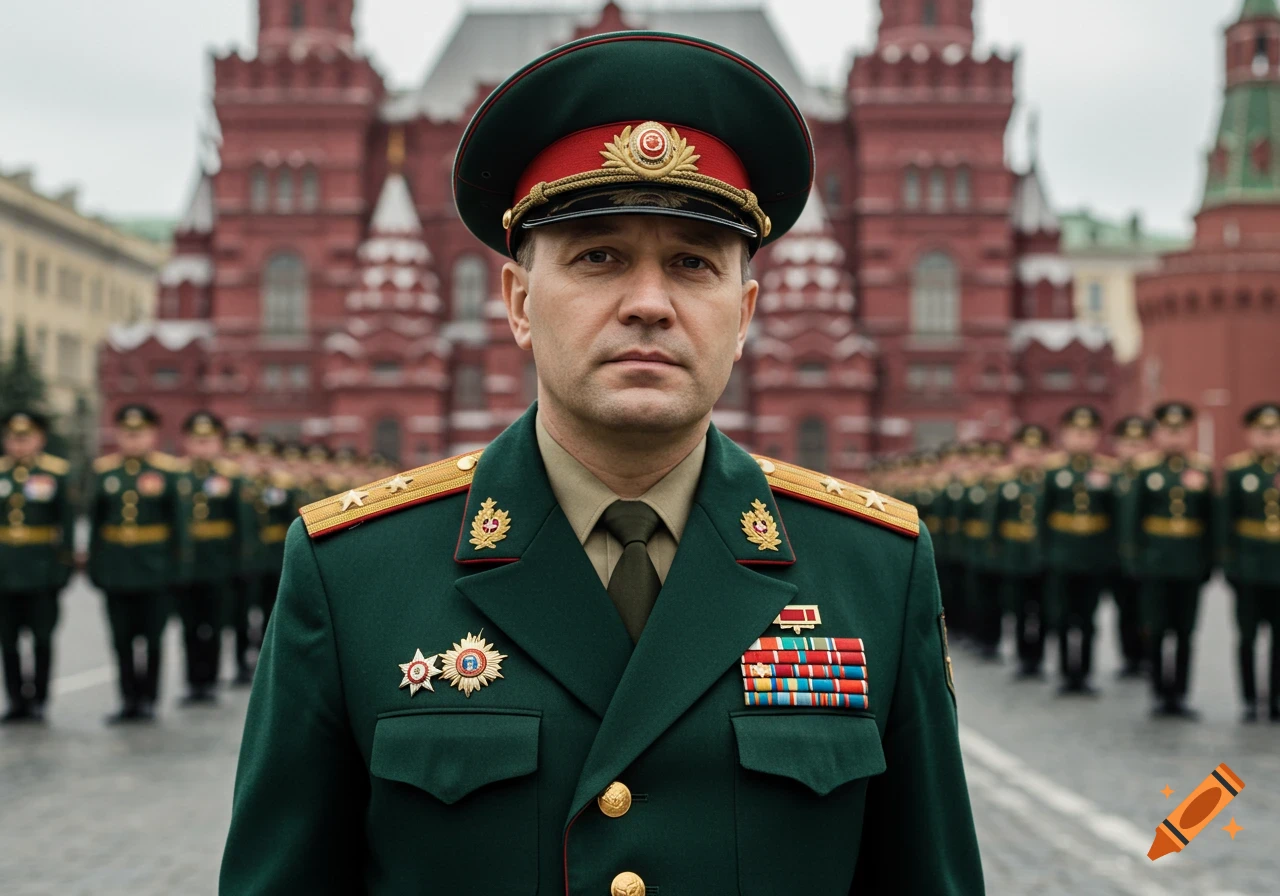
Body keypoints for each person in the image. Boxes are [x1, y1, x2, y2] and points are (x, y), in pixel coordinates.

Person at [220, 31, 984, 895]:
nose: (649, 305)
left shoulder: (875, 571)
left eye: (693, 264)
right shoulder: (355, 573)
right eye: (599, 257)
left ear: (744, 314)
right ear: (515, 300)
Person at [89, 404, 189, 722]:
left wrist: (178, 568)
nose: (133, 439)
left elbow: (180, 526)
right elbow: (95, 524)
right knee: (121, 640)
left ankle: (149, 698)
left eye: (140, 433)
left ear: (153, 435)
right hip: (116, 569)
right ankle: (127, 698)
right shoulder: (105, 471)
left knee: (153, 638)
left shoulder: (169, 471)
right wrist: (95, 565)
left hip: (155, 569)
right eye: (127, 433)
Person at [1121, 401, 1214, 718]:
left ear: (1189, 432)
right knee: (1157, 629)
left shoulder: (1201, 469)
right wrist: (1135, 559)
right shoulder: (1145, 470)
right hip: (1155, 562)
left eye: (1180, 430)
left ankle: (1181, 694)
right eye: (1167, 430)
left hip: (1189, 563)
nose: (1174, 437)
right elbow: (1133, 519)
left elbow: (1209, 521)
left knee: (1186, 632)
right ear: (1158, 433)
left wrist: (1208, 562)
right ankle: (1160, 692)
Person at [0, 410, 73, 723]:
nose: (19, 444)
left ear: (39, 439)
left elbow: (66, 524)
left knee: (42, 638)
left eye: (25, 437)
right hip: (3, 572)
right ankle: (16, 700)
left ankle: (40, 698)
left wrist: (63, 567)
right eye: (13, 438)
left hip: (42, 570)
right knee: (8, 640)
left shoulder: (55, 473)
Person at [1041, 406, 1117, 694]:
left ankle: (1084, 673)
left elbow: (1114, 518)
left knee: (1088, 619)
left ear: (1096, 436)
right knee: (1061, 617)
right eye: (1076, 432)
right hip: (1061, 554)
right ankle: (1064, 673)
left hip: (1094, 556)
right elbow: (1042, 515)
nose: (1082, 439)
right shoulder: (1052, 470)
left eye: (1088, 433)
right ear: (1064, 435)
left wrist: (1111, 555)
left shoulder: (1108, 471)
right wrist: (1044, 553)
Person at [176, 411, 248, 704]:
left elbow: (241, 526)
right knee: (189, 626)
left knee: (214, 626)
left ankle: (210, 680)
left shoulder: (230, 476)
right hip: (186, 564)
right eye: (196, 440)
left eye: (208, 440)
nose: (202, 446)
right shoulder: (176, 475)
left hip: (219, 563)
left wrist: (239, 564)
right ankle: (193, 681)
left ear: (218, 442)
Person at [1219, 402, 1280, 722]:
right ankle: (1248, 698)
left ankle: (1276, 700)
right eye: (1262, 431)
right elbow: (1225, 521)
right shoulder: (1238, 470)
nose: (1269, 437)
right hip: (1249, 567)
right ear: (1250, 433)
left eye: (1274, 431)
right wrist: (1229, 565)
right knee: (1247, 636)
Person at [986, 425, 1048, 679]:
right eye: (1025, 450)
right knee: (1019, 609)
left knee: (1042, 611)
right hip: (1013, 554)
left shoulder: (1048, 482)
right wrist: (996, 550)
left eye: (1036, 450)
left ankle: (1038, 658)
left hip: (1041, 555)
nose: (1030, 456)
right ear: (1015, 452)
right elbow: (995, 520)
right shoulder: (1004, 482)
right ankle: (1024, 658)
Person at [1110, 415, 1151, 678]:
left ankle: (1147, 655)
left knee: (1147, 609)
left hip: (1149, 555)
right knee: (1123, 608)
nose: (1132, 448)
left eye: (1138, 443)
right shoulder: (1109, 476)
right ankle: (1129, 656)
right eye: (1127, 442)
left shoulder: (1152, 476)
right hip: (1116, 557)